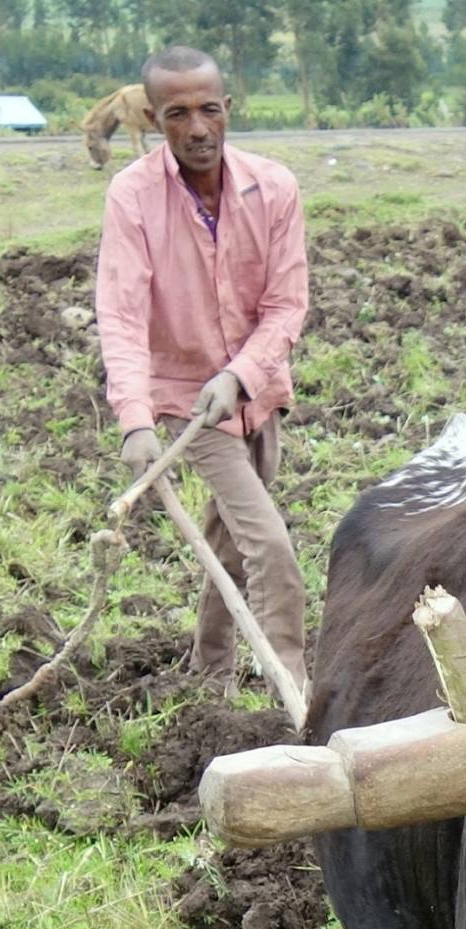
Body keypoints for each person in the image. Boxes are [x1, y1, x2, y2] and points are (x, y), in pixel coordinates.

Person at [95, 46, 310, 698]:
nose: (196, 129)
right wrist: (135, 422)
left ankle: (208, 675)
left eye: (208, 110)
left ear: (227, 110)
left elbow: (286, 304)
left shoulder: (273, 188)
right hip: (188, 404)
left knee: (226, 538)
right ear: (154, 117)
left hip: (257, 393)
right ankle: (292, 696)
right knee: (269, 547)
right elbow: (122, 316)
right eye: (178, 114)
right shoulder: (133, 197)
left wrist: (241, 374)